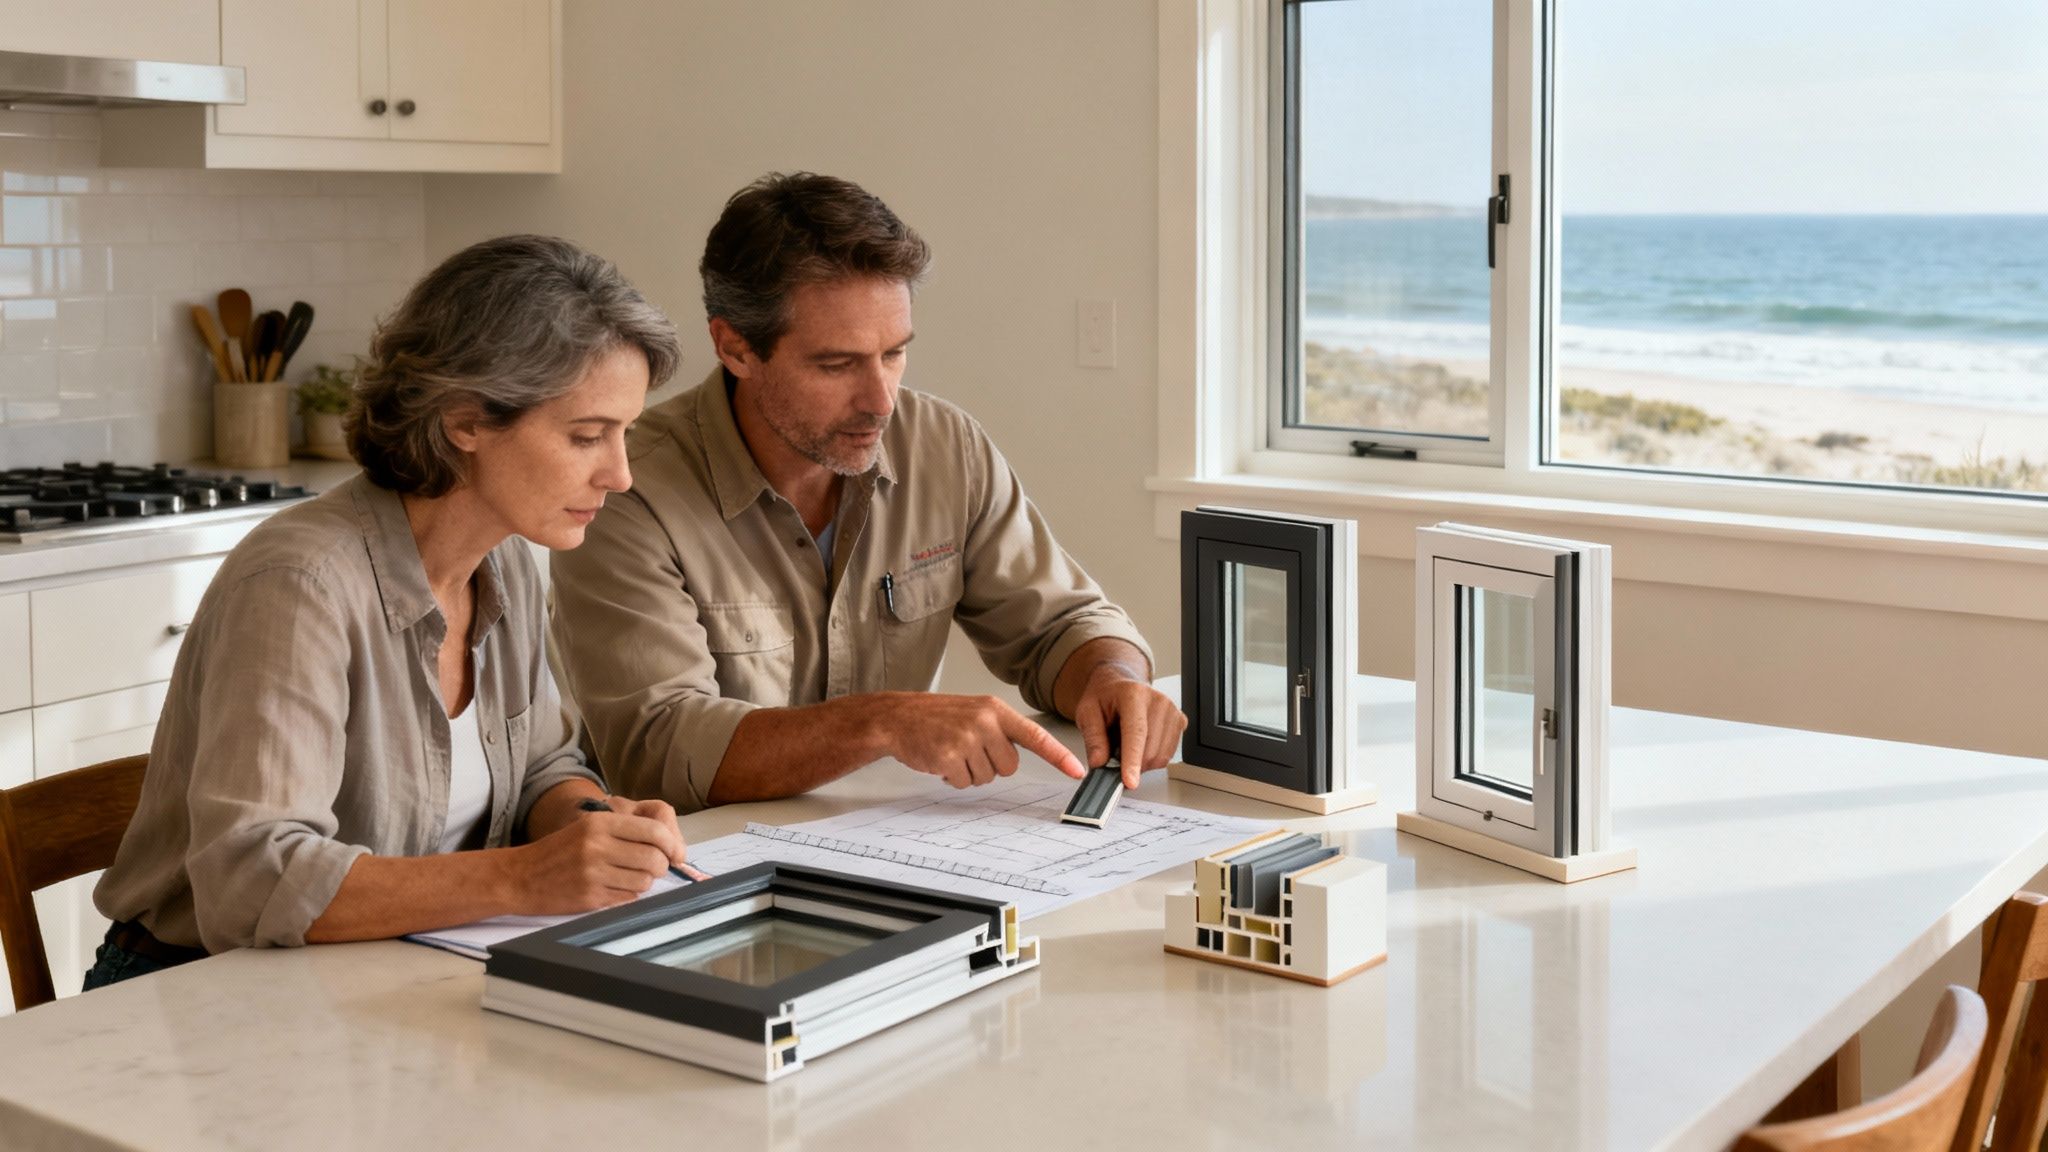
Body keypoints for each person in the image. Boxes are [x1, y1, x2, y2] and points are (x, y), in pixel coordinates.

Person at [86, 234, 691, 988]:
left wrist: (592, 826)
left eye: (624, 432)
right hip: (197, 990)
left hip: (379, 973)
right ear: (465, 420)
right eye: (586, 436)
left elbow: (542, 765)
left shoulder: (503, 557)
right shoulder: (301, 584)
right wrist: (525, 878)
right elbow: (253, 879)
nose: (621, 474)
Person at [549, 172, 1186, 814]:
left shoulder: (943, 445)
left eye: (894, 354)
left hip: (897, 841)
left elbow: (1062, 625)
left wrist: (1114, 677)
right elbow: (657, 750)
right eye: (837, 364)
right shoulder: (628, 489)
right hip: (707, 863)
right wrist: (881, 722)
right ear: (735, 348)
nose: (881, 400)